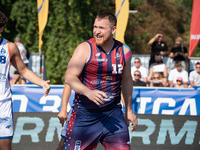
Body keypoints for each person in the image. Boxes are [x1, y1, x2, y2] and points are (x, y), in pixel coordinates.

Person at [64, 12, 137, 150]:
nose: (97, 32)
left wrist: (129, 110)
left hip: (113, 114)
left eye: (101, 28)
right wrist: (88, 92)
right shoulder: (84, 48)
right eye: (95, 27)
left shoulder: (125, 51)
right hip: (85, 115)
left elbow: (126, 81)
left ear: (113, 30)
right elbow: (69, 77)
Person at [0, 11, 51, 150]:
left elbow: (23, 70)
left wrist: (42, 83)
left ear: (2, 28)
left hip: (2, 105)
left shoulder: (10, 47)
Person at [56, 84, 72, 150]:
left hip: (105, 113)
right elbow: (69, 83)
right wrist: (63, 110)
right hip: (80, 110)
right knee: (63, 145)